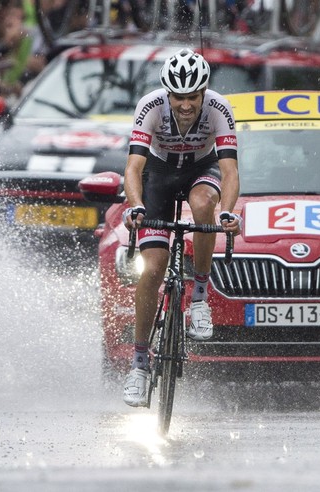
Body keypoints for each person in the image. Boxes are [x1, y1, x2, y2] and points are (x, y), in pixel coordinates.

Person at [120, 48, 241, 407]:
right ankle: (139, 365)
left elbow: (231, 171)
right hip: (158, 174)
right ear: (167, 93)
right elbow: (133, 167)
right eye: (178, 97)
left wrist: (227, 213)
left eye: (192, 97)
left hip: (201, 169)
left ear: (203, 92)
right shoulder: (150, 106)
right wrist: (136, 206)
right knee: (153, 269)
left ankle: (200, 297)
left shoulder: (219, 108)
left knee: (204, 205)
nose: (185, 104)